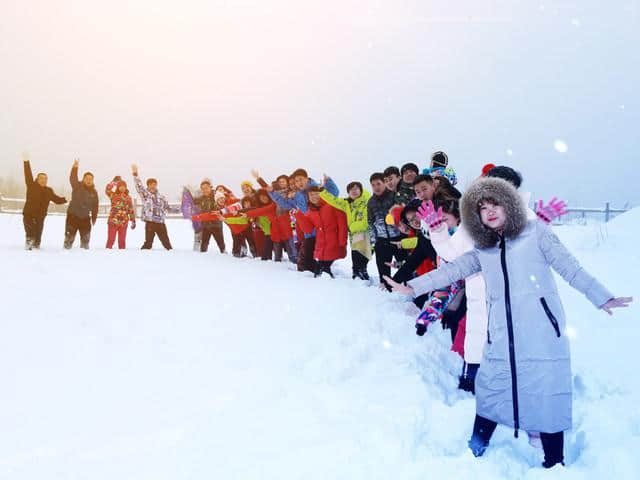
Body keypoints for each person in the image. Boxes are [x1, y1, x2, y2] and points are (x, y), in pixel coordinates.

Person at [384, 176, 632, 469]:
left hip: (541, 331)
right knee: (491, 389)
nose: (489, 211)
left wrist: (601, 297)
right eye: (482, 208)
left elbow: (571, 268)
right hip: (500, 332)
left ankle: (555, 462)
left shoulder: (535, 232)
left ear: (509, 205)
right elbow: (452, 271)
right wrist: (414, 287)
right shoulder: (483, 248)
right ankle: (475, 449)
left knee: (544, 394)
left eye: (495, 204)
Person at [295, 178, 347, 278]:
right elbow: (308, 229)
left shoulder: (331, 205)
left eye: (316, 194)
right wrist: (298, 215)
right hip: (321, 244)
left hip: (334, 242)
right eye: (311, 195)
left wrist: (342, 241)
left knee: (323, 269)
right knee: (320, 270)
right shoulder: (310, 211)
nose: (314, 197)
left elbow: (342, 223)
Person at [320, 181, 372, 280]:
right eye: (351, 190)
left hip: (365, 234)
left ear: (361, 190)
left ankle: (361, 273)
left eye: (356, 189)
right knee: (355, 255)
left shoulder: (366, 201)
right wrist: (322, 191)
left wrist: (351, 227)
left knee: (362, 257)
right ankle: (357, 274)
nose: (354, 191)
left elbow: (366, 221)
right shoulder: (347, 204)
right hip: (354, 235)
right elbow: (334, 200)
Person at [21, 152, 66, 250]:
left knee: (37, 238)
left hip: (40, 217)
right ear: (37, 179)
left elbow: (57, 200)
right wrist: (26, 162)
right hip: (29, 215)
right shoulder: (31, 186)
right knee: (30, 233)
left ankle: (37, 250)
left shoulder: (49, 191)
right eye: (41, 178)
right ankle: (28, 249)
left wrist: (65, 199)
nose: (43, 180)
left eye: (45, 179)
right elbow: (28, 174)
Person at [367, 172, 402, 290]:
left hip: (398, 238)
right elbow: (370, 222)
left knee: (403, 263)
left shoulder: (394, 196)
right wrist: (374, 240)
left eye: (378, 184)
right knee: (382, 265)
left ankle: (407, 284)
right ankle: (385, 286)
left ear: (384, 183)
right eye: (373, 185)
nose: (376, 187)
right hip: (381, 239)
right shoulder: (371, 202)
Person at [131, 164, 173, 250]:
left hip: (160, 222)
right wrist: (135, 174)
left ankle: (171, 255)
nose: (153, 186)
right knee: (148, 243)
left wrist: (183, 209)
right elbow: (139, 186)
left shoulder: (161, 197)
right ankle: (143, 257)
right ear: (148, 185)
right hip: (150, 222)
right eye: (151, 184)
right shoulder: (145, 194)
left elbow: (168, 207)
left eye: (154, 184)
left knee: (166, 243)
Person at [64, 159, 99, 249]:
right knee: (69, 238)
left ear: (93, 180)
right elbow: (72, 178)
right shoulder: (77, 186)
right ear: (83, 179)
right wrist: (75, 167)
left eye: (90, 179)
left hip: (85, 218)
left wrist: (94, 217)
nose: (88, 180)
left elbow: (95, 206)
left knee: (85, 241)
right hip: (73, 216)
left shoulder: (94, 192)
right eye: (87, 178)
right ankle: (65, 253)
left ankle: (84, 257)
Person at [194, 180, 226, 253]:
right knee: (203, 246)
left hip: (216, 225)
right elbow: (193, 201)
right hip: (206, 225)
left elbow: (223, 203)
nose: (204, 190)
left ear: (210, 187)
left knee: (221, 244)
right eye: (203, 188)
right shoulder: (202, 198)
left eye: (206, 188)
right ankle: (203, 259)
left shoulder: (217, 195)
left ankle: (224, 254)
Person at [105, 176, 136, 249]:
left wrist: (133, 220)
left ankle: (122, 255)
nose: (122, 188)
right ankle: (107, 253)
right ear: (117, 187)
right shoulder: (113, 195)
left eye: (124, 186)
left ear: (126, 188)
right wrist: (114, 182)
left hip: (124, 222)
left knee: (122, 241)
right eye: (120, 186)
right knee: (111, 240)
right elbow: (107, 189)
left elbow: (130, 210)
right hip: (113, 221)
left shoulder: (128, 198)